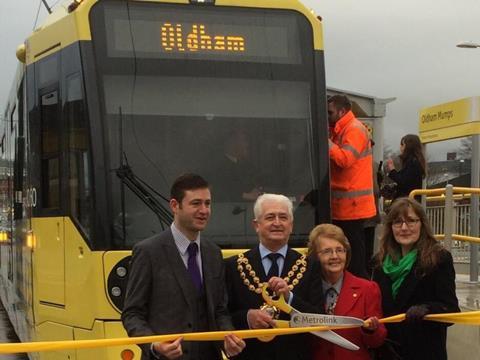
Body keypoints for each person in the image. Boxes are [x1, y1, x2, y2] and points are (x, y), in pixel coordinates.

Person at [122, 173, 245, 360]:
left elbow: (220, 310)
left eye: (208, 203)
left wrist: (227, 337)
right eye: (196, 203)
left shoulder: (213, 253)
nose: (204, 210)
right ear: (174, 206)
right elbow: (132, 313)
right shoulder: (148, 252)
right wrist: (154, 345)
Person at [225, 193, 323, 360]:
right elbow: (221, 315)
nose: (277, 223)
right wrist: (247, 317)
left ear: (291, 225)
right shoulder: (233, 266)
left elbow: (318, 318)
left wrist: (289, 298)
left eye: (283, 217)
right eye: (270, 217)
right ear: (256, 225)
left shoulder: (310, 266)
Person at [373, 197, 460, 360]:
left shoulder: (439, 259)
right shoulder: (378, 263)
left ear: (422, 224)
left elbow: (451, 310)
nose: (404, 228)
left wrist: (427, 308)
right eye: (398, 222)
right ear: (390, 227)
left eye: (411, 221)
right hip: (387, 353)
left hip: (423, 352)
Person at [307, 223, 386, 359]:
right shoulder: (305, 289)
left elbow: (378, 341)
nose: (335, 256)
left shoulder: (367, 289)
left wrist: (371, 330)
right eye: (327, 251)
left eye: (340, 250)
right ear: (315, 256)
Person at [328, 94, 376, 278]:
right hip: (345, 206)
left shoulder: (354, 129)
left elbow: (345, 159)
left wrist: (328, 143)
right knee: (350, 256)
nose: (328, 116)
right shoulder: (340, 129)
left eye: (330, 112)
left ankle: (360, 296)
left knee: (355, 260)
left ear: (342, 111)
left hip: (353, 207)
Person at [386, 134, 426, 200]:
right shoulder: (414, 161)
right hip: (409, 201)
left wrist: (392, 170)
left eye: (402, 145)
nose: (400, 147)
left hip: (407, 203)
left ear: (408, 146)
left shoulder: (413, 163)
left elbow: (404, 182)